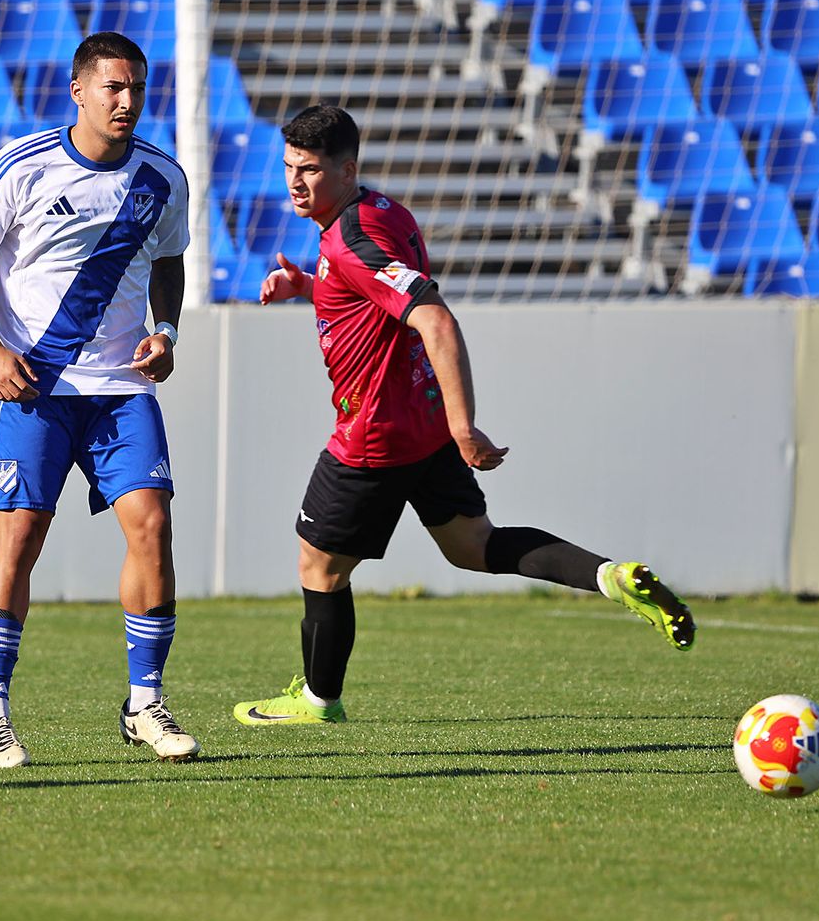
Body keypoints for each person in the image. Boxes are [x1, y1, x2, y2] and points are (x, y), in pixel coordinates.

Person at [232, 105, 695, 726]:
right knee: (473, 546)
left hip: (376, 433)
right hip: (420, 430)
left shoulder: (350, 240)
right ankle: (611, 577)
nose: (294, 183)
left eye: (310, 170)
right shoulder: (383, 213)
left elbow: (435, 318)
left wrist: (463, 425)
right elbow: (378, 295)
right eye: (288, 167)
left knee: (318, 563)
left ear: (347, 169)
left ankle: (318, 701)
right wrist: (310, 289)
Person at [0, 33, 198, 768]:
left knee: (152, 527)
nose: (126, 101)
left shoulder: (162, 177)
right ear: (78, 90)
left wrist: (167, 329)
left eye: (137, 88)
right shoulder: (20, 166)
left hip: (122, 387)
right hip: (36, 387)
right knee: (18, 542)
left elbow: (170, 260)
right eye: (113, 87)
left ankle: (145, 701)